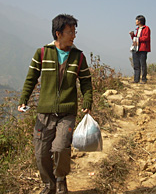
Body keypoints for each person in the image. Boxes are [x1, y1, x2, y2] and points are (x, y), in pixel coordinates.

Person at [18, 14, 93, 194]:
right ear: (58, 33)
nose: (74, 35)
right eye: (70, 32)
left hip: (67, 112)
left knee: (60, 148)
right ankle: (48, 185)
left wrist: (87, 101)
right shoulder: (42, 53)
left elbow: (86, 82)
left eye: (75, 31)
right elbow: (31, 79)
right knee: (41, 152)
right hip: (45, 112)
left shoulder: (78, 56)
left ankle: (61, 181)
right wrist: (23, 100)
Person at [129, 15, 151, 84]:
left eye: (136, 20)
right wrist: (132, 35)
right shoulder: (138, 29)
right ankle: (136, 79)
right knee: (136, 64)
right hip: (136, 48)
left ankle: (144, 79)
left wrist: (137, 39)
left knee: (143, 64)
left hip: (143, 49)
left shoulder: (146, 28)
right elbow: (135, 39)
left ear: (139, 21)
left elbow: (146, 38)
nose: (135, 22)